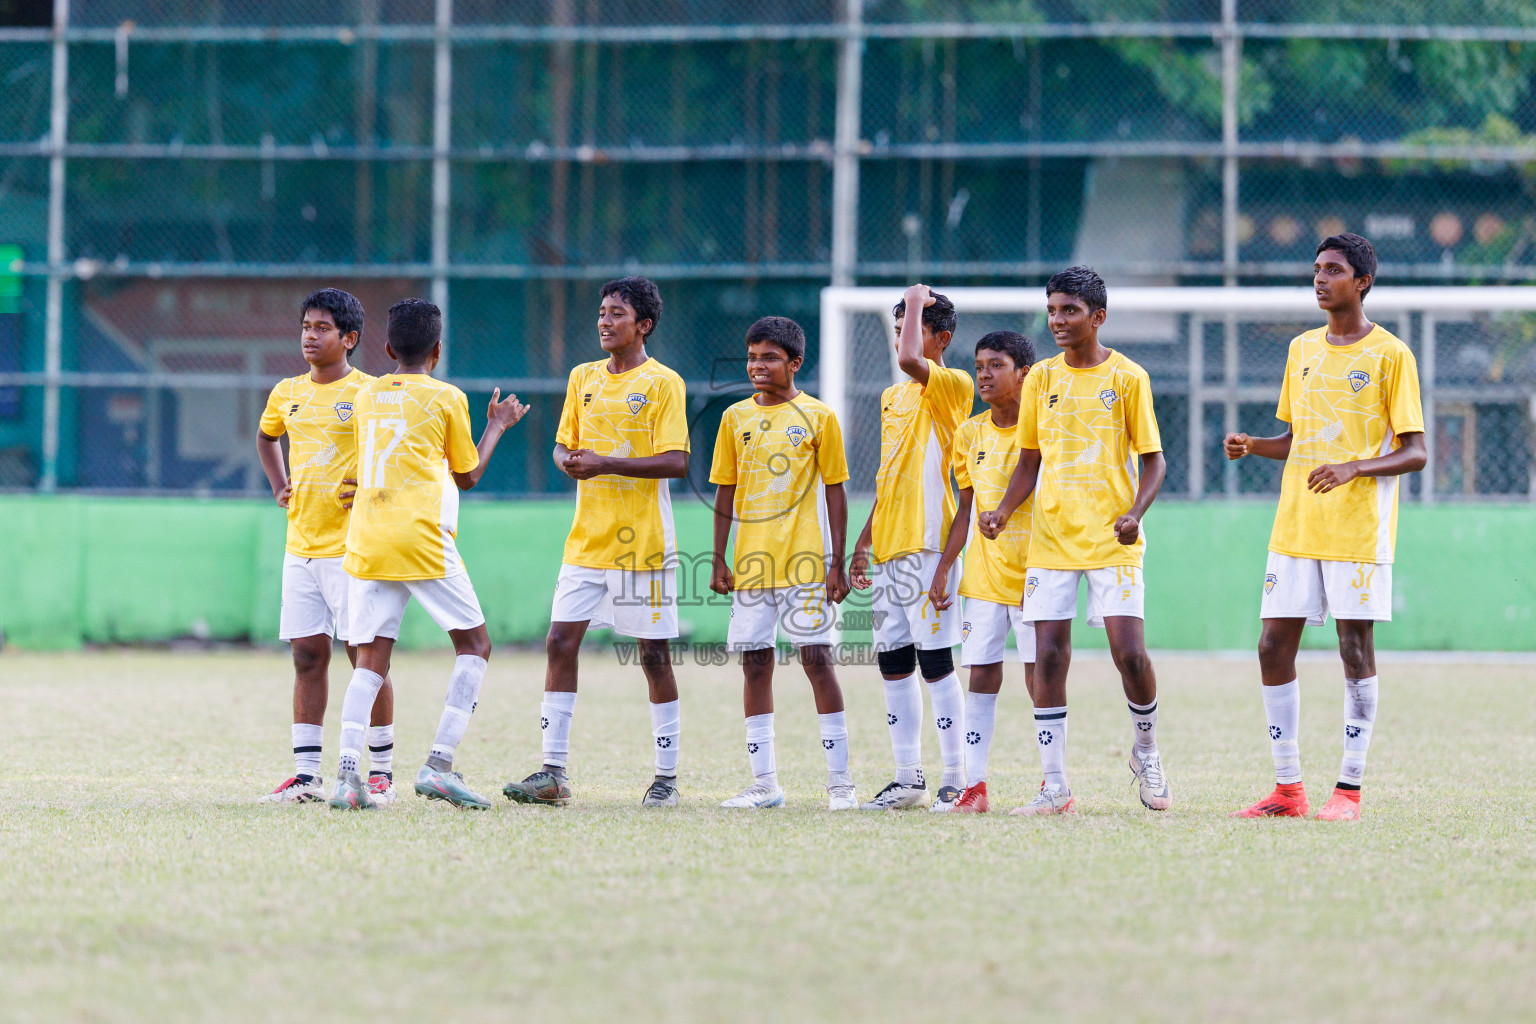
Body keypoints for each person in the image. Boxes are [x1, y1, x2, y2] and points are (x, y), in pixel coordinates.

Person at [1226, 233, 1425, 821]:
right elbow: (1295, 442)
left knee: (1353, 646)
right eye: (1316, 269)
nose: (1320, 278)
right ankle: (1288, 790)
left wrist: (1354, 467)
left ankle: (1349, 790)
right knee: (1271, 645)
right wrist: (1253, 444)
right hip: (1295, 524)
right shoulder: (1302, 348)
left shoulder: (1392, 355)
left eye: (1333, 270)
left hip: (1358, 529)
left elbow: (1414, 451)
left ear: (1361, 281)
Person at [979, 266, 1171, 815]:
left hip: (1114, 539)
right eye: (1053, 309)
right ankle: (1055, 784)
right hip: (1052, 541)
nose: (1058, 320)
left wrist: (1135, 511)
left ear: (1098, 317)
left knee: (1129, 654)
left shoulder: (1129, 377)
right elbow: (1029, 461)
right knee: (1047, 659)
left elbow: (1153, 461)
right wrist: (1002, 510)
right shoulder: (1040, 379)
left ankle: (1147, 750)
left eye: (1069, 310)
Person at [328, 298, 528, 810]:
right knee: (475, 645)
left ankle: (348, 779)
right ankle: (438, 765)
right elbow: (468, 474)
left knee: (369, 661)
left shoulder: (369, 394)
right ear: (437, 351)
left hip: (368, 536)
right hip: (420, 536)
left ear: (388, 347)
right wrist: (498, 425)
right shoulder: (447, 398)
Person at [503, 277, 691, 809]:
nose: (604, 322)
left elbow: (676, 461)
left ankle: (666, 778)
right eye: (602, 313)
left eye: (616, 314)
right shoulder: (582, 377)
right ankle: (553, 773)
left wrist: (607, 462)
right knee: (560, 643)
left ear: (643, 325)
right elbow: (564, 447)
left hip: (642, 543)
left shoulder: (663, 384)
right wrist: (572, 463)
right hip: (586, 542)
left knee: (652, 656)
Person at [708, 316, 858, 810]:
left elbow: (836, 494)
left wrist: (836, 563)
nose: (757, 365)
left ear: (795, 363)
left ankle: (840, 785)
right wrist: (718, 559)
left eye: (770, 357)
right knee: (755, 666)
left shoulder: (820, 418)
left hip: (807, 565)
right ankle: (765, 784)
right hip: (751, 566)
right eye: (752, 356)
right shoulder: (734, 419)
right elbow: (724, 492)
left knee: (817, 662)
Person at [255, 288, 396, 804]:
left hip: (355, 547)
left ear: (349, 339)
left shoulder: (372, 393)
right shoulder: (287, 391)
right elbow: (267, 436)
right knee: (308, 656)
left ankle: (380, 771)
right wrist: (279, 483)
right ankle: (307, 775)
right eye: (306, 327)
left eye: (322, 328)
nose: (310, 336)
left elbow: (397, 452)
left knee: (366, 658)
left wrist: (372, 486)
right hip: (302, 546)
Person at [850, 284, 974, 811]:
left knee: (937, 660)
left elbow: (907, 356)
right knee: (894, 661)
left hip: (929, 545)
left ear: (940, 337)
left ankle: (957, 775)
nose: (903, 333)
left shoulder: (953, 384)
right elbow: (890, 474)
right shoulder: (891, 397)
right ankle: (908, 779)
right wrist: (862, 542)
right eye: (899, 322)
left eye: (914, 324)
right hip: (891, 546)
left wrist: (913, 297)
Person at [927, 331, 1037, 814]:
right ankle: (976, 786)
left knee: (1042, 680)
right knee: (981, 675)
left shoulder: (1044, 428)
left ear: (1024, 373)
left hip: (1039, 574)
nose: (985, 375)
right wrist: (945, 566)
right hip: (985, 577)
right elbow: (966, 507)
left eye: (997, 365)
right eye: (979, 366)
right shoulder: (970, 434)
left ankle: (1054, 781)